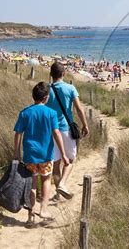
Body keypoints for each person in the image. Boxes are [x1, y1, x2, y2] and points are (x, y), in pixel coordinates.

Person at [14, 82, 70, 227]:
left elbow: (18, 133)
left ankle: (31, 215)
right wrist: (63, 154)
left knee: (31, 184)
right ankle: (43, 210)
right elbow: (56, 133)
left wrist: (16, 152)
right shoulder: (51, 113)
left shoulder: (25, 112)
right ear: (45, 98)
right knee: (46, 180)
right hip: (46, 155)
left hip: (30, 155)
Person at [47, 62, 89, 201]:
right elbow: (78, 108)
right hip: (65, 129)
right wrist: (85, 124)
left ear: (51, 75)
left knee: (56, 163)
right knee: (70, 160)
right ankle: (63, 184)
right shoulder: (70, 88)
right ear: (64, 73)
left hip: (51, 130)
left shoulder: (47, 90)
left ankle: (58, 194)